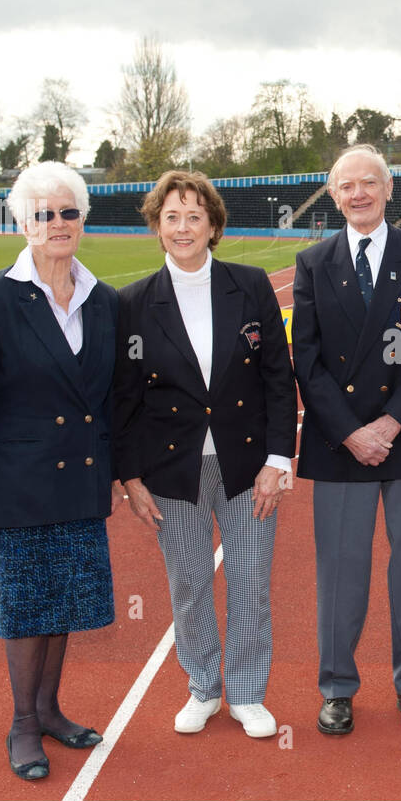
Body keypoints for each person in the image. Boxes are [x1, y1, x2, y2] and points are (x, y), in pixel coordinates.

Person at [113, 170, 296, 739]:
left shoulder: (251, 285)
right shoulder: (133, 304)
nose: (184, 226)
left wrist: (279, 460)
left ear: (214, 225)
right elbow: (123, 398)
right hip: (172, 468)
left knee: (248, 580)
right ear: (158, 227)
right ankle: (203, 688)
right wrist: (130, 477)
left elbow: (277, 379)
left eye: (195, 215)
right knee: (189, 584)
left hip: (248, 467)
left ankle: (246, 693)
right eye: (172, 216)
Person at [0, 160, 120, 781]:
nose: (56, 223)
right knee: (27, 606)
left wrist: (122, 473)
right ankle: (22, 724)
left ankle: (49, 709)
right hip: (18, 482)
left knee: (65, 602)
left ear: (83, 219)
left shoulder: (103, 301)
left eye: (67, 211)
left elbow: (109, 399)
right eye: (42, 213)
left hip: (79, 478)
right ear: (22, 222)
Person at [292, 144, 401, 735]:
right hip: (340, 444)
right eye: (345, 186)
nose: (357, 194)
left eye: (368, 183)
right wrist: (352, 432)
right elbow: (307, 363)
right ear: (333, 195)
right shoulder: (313, 263)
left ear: (388, 190)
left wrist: (390, 424)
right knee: (341, 574)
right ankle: (337, 687)